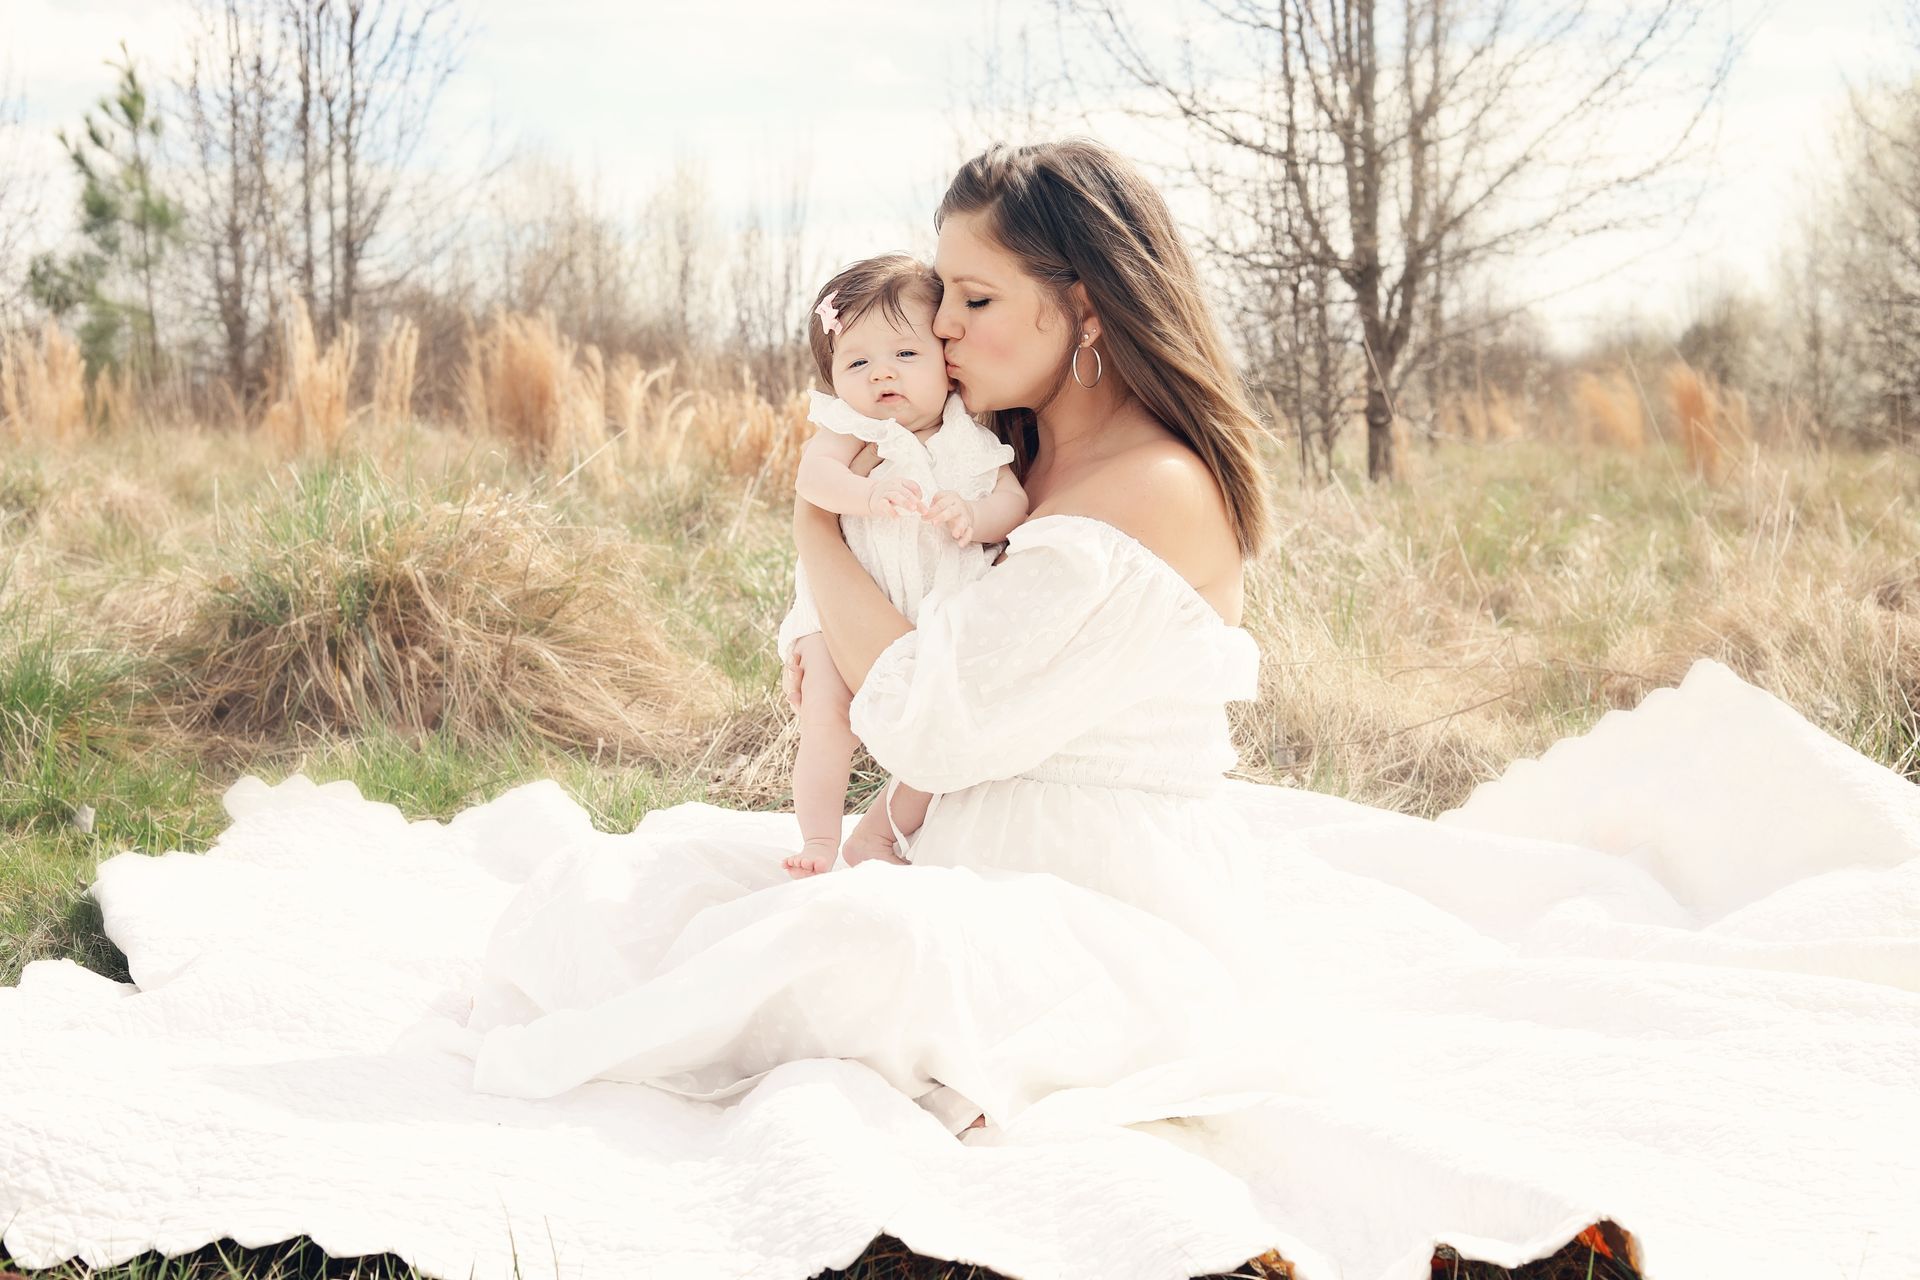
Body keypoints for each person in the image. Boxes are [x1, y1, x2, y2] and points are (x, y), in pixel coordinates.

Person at [3, 140, 1916, 1280]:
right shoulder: (1013, 456)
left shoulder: (1146, 484)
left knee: (861, 939)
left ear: (1086, 304)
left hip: (1110, 908)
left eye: (981, 300)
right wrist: (864, 526)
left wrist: (814, 513)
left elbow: (933, 721)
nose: (946, 328)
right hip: (987, 843)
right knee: (662, 884)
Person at [775, 253, 1029, 879]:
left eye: (905, 355)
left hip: (933, 608)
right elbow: (813, 478)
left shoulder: (967, 434)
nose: (882, 374)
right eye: (857, 361)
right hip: (842, 608)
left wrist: (976, 514)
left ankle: (880, 832)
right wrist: (863, 496)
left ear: (945, 362)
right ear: (834, 377)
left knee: (940, 733)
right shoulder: (852, 429)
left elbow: (1012, 499)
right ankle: (816, 839)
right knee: (825, 717)